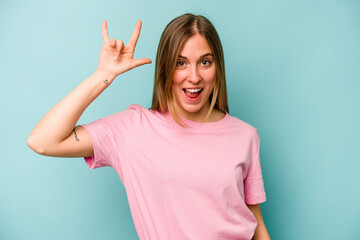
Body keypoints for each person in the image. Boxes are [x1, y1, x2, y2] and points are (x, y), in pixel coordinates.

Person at [27, 13, 271, 240]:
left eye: (205, 62)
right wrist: (104, 74)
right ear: (165, 68)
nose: (194, 77)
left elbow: (256, 223)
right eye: (181, 63)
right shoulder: (132, 130)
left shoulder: (245, 136)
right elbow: (43, 141)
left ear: (217, 67)